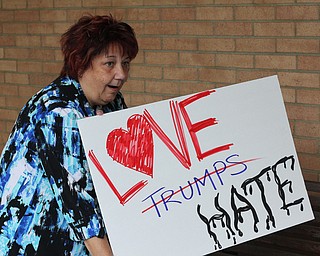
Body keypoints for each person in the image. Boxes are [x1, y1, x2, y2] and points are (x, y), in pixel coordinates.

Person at [0, 14, 138, 255]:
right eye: (110, 64)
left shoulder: (111, 103)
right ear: (81, 63)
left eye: (125, 63)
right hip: (33, 238)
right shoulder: (58, 112)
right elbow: (77, 202)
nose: (122, 73)